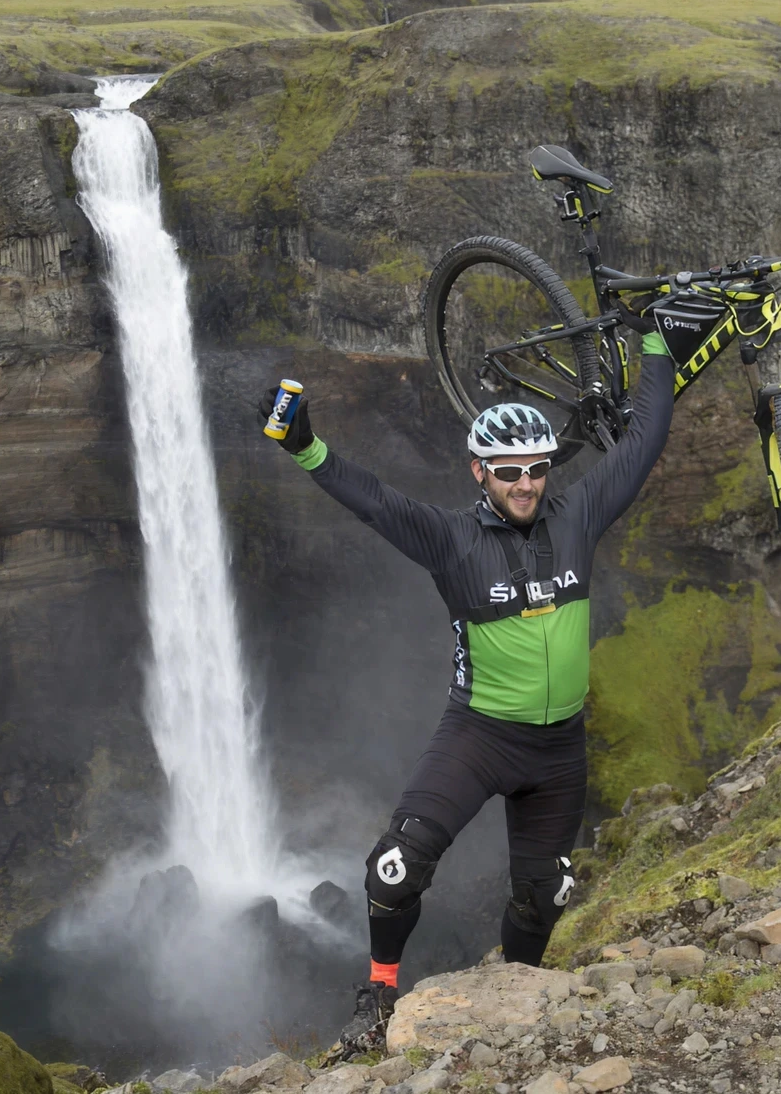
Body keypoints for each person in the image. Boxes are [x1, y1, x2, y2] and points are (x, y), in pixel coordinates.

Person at [260, 328, 674, 1053]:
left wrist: (656, 344)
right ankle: (380, 996)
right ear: (479, 472)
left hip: (558, 754)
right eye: (509, 471)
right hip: (480, 737)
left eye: (538, 470)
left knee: (544, 897)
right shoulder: (452, 540)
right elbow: (377, 503)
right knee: (393, 872)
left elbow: (643, 442)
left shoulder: (577, 517)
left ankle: (517, 996)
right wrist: (305, 447)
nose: (526, 484)